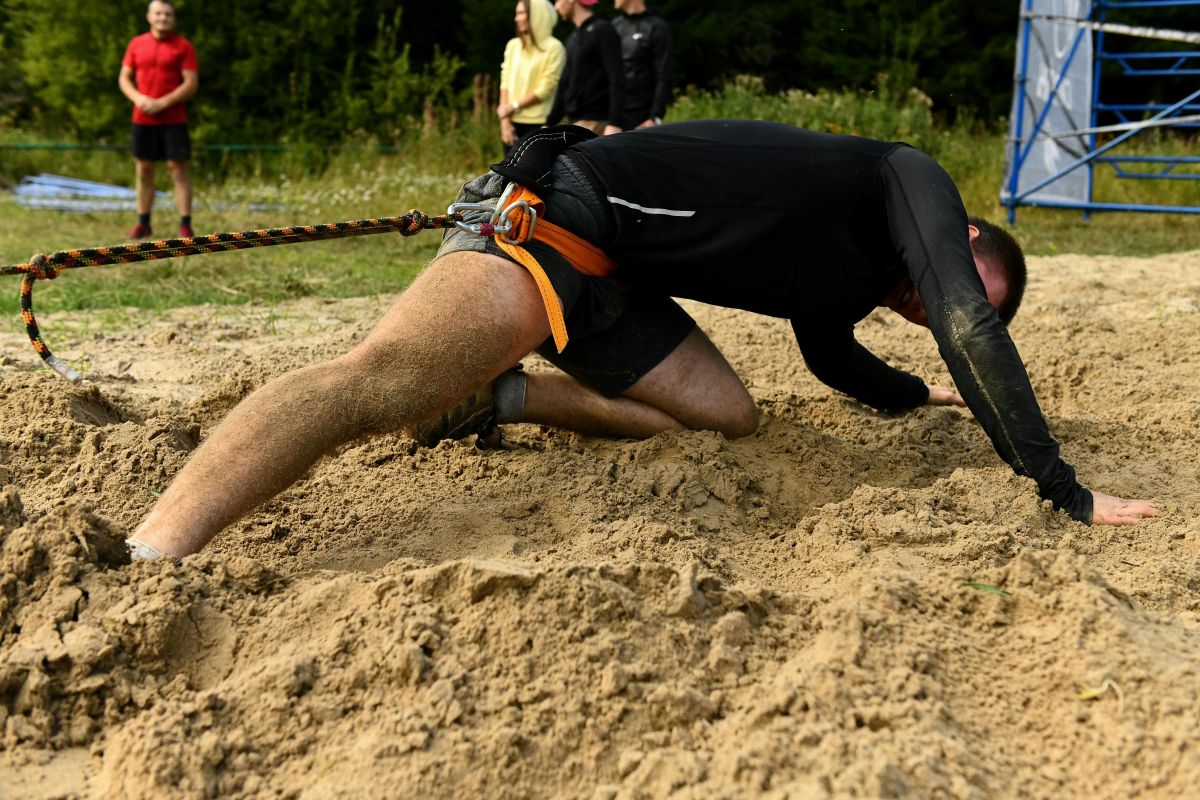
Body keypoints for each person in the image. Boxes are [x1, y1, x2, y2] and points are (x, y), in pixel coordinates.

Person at [125, 120, 1157, 561]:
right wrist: (1061, 487)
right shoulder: (904, 175)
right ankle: (154, 547)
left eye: (949, 311)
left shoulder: (845, 277)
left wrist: (905, 394)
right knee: (378, 383)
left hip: (625, 287)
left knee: (726, 414)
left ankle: (498, 396)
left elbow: (828, 354)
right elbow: (971, 323)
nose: (946, 308)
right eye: (969, 278)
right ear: (961, 231)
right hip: (560, 216)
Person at [118, 0, 199, 240]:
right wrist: (138, 98)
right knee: (144, 169)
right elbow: (124, 78)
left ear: (173, 19)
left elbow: (191, 83)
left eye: (168, 14)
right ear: (149, 16)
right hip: (142, 118)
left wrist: (163, 102)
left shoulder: (183, 47)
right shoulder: (136, 44)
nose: (163, 18)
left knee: (178, 168)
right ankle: (143, 222)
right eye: (159, 13)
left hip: (173, 119)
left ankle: (185, 224)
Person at [546, 0, 627, 135]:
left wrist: (615, 122)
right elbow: (565, 83)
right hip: (576, 123)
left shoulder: (602, 30)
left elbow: (616, 76)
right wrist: (549, 123)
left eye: (558, 1)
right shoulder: (572, 38)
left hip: (599, 122)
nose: (556, 7)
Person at [498, 0, 566, 154]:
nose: (516, 18)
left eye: (521, 13)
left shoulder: (554, 48)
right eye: (517, 13)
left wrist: (513, 107)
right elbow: (505, 80)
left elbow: (546, 88)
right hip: (512, 123)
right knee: (509, 176)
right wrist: (505, 121)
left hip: (540, 124)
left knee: (534, 176)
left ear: (536, 15)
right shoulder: (513, 45)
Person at [612, 0, 673, 128]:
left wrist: (655, 117)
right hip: (613, 117)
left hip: (642, 118)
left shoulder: (657, 27)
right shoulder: (614, 26)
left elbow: (664, 75)